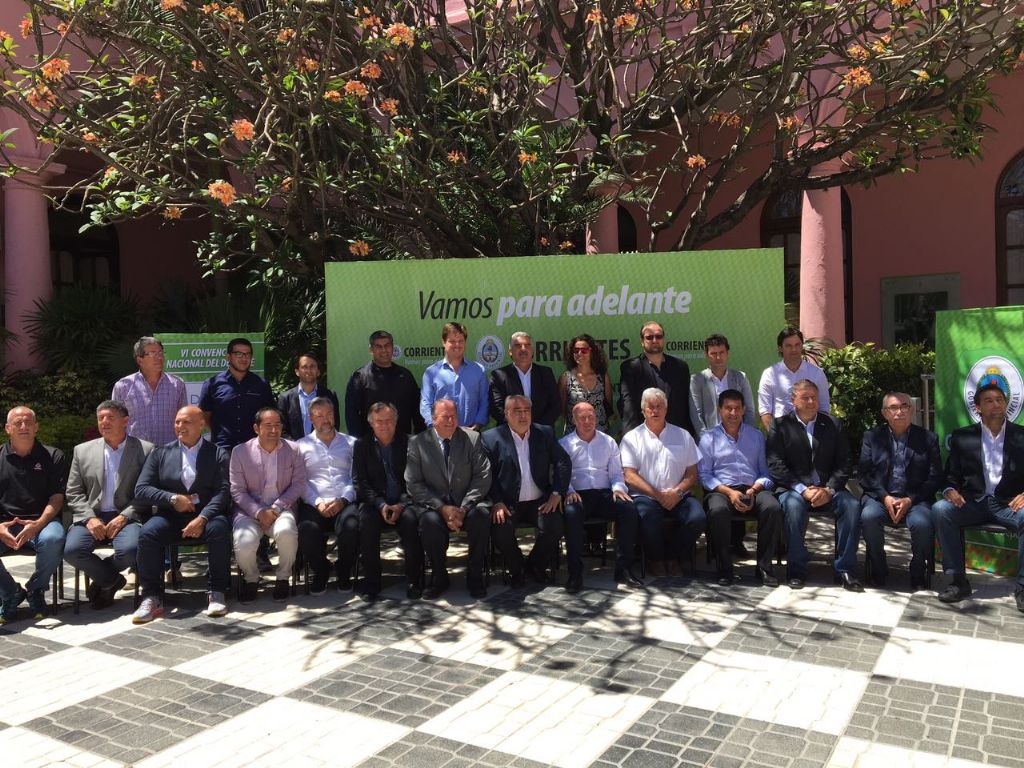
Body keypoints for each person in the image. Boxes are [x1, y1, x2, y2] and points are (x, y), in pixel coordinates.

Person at [131, 405, 232, 622]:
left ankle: (217, 591)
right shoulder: (160, 453)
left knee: (220, 529)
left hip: (207, 515)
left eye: (186, 421)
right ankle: (152, 596)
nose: (180, 426)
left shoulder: (217, 453)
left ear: (201, 424)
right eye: (177, 422)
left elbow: (223, 492)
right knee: (148, 533)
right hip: (171, 516)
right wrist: (172, 499)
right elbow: (142, 489)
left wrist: (203, 518)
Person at [932, 382, 1024, 609]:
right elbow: (950, 476)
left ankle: (1022, 586)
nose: (996, 405)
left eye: (999, 400)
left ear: (1006, 404)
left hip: (1008, 504)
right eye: (989, 401)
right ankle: (957, 581)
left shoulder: (1021, 436)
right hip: (973, 502)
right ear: (978, 408)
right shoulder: (963, 437)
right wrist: (950, 490)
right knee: (941, 510)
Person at [766, 379, 861, 591]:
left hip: (828, 489)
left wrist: (829, 489)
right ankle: (797, 570)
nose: (811, 402)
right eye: (805, 398)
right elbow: (775, 464)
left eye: (814, 398)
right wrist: (802, 490)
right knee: (793, 507)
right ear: (793, 400)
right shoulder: (780, 426)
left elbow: (845, 462)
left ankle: (845, 569)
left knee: (852, 506)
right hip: (794, 489)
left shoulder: (833, 425)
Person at [63, 400, 154, 610]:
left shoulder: (145, 449)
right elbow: (73, 492)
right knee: (72, 551)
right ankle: (111, 580)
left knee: (131, 550)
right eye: (101, 418)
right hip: (91, 516)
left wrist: (124, 516)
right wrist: (89, 518)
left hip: (127, 517)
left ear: (125, 421)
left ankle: (104, 579)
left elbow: (147, 491)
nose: (104, 422)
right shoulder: (82, 451)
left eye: (110, 417)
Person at [405, 399, 492, 599]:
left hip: (467, 505)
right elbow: (413, 483)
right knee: (428, 522)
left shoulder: (472, 439)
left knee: (481, 516)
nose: (451, 421)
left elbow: (483, 476)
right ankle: (439, 576)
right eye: (445, 417)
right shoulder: (418, 443)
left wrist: (464, 507)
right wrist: (441, 508)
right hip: (435, 507)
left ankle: (475, 576)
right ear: (433, 419)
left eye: (454, 416)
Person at [483, 395, 571, 589]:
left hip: (539, 501)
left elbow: (563, 461)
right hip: (508, 503)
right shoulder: (491, 438)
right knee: (500, 530)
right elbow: (486, 475)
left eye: (527, 411)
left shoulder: (544, 433)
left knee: (555, 525)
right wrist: (496, 501)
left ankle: (535, 566)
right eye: (517, 411)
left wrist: (557, 492)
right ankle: (517, 570)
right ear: (506, 414)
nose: (523, 416)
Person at [697, 390, 782, 586]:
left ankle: (764, 568)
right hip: (721, 490)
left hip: (752, 488)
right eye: (728, 408)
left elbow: (765, 472)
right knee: (717, 510)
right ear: (720, 410)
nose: (733, 413)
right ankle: (724, 568)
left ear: (744, 410)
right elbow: (704, 475)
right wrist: (729, 492)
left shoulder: (756, 436)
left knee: (773, 507)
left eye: (737, 408)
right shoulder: (709, 438)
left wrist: (754, 489)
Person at [858, 392, 941, 590]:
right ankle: (878, 568)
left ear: (911, 410)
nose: (900, 412)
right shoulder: (872, 437)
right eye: (893, 408)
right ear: (884, 413)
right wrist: (885, 497)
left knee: (922, 523)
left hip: (916, 500)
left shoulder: (928, 438)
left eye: (904, 406)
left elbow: (935, 477)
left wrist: (910, 499)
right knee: (869, 516)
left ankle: (918, 570)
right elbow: (864, 474)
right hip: (880, 497)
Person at [620, 388, 705, 577]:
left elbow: (692, 473)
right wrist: (658, 495)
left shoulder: (683, 435)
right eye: (650, 407)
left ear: (666, 409)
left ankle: (673, 557)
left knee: (698, 518)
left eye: (659, 406)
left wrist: (677, 493)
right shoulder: (631, 438)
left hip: (679, 496)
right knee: (648, 517)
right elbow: (629, 475)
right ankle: (656, 559)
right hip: (646, 497)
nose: (655, 410)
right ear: (643, 410)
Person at [560, 402, 642, 590]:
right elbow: (561, 475)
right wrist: (569, 491)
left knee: (629, 510)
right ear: (574, 420)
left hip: (604, 494)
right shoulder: (564, 444)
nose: (587, 421)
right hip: (578, 495)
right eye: (582, 418)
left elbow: (616, 474)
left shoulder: (608, 442)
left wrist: (618, 488)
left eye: (591, 417)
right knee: (571, 514)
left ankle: (624, 569)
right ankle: (575, 573)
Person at [230, 407, 306, 603]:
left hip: (281, 508)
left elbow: (298, 484)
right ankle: (251, 578)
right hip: (249, 511)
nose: (274, 430)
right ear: (256, 428)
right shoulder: (240, 452)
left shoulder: (293, 450)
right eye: (268, 425)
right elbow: (237, 491)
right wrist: (259, 512)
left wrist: (276, 508)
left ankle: (283, 577)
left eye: (277, 425)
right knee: (244, 543)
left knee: (287, 533)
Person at [0, 406, 68, 624]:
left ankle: (36, 589)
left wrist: (38, 524)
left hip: (43, 522)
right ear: (8, 428)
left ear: (36, 427)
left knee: (54, 539)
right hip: (5, 524)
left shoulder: (53, 456)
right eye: (18, 423)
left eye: (28, 422)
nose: (23, 426)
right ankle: (10, 593)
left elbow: (57, 498)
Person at [352, 402, 419, 599]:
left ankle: (415, 580)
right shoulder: (361, 445)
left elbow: (416, 480)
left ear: (396, 422)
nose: (384, 425)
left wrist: (401, 504)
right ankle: (372, 581)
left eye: (389, 420)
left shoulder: (411, 442)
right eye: (379, 421)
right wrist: (380, 504)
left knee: (412, 521)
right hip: (375, 503)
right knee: (366, 521)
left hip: (404, 501)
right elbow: (360, 482)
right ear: (371, 423)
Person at [296, 397, 358, 594]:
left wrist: (343, 500)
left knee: (352, 526)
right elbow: (300, 481)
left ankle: (343, 569)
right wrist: (317, 503)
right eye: (319, 415)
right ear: (311, 419)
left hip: (344, 501)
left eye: (329, 414)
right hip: (314, 503)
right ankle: (321, 570)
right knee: (306, 530)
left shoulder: (351, 443)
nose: (326, 419)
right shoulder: (300, 446)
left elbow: (357, 478)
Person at [618, 320, 695, 436]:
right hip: (644, 436)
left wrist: (688, 435)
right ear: (642, 341)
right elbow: (628, 405)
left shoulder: (680, 367)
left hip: (676, 435)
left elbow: (685, 404)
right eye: (649, 337)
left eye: (658, 336)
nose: (654, 340)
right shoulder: (630, 368)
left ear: (663, 339)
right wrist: (630, 437)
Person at [199, 337, 275, 451]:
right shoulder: (212, 384)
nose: (244, 358)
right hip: (222, 449)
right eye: (239, 354)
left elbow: (269, 415)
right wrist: (220, 433)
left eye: (247, 354)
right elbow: (205, 416)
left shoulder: (262, 385)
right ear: (228, 357)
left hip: (254, 448)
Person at [345, 330, 424, 438]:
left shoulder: (405, 375)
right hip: (370, 444)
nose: (384, 350)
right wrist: (359, 442)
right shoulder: (360, 377)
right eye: (378, 346)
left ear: (393, 347)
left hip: (403, 442)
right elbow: (352, 414)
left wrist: (420, 438)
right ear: (371, 349)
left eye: (387, 345)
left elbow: (417, 411)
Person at [111, 336, 188, 446]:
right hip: (136, 451)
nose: (159, 357)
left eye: (161, 353)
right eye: (152, 353)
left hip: (169, 450)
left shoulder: (177, 384)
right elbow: (116, 422)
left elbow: (184, 420)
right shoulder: (123, 386)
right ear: (140, 360)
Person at [419, 322, 489, 430]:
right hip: (440, 433)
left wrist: (477, 426)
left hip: (471, 433)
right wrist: (434, 426)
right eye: (452, 341)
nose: (457, 345)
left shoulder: (478, 370)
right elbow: (425, 404)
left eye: (460, 341)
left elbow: (484, 402)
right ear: (443, 342)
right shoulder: (431, 373)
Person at [758, 326, 831, 429]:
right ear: (780, 348)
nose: (794, 349)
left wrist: (816, 434)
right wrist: (775, 435)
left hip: (811, 432)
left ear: (802, 346)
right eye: (788, 346)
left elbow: (824, 408)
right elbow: (765, 411)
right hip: (781, 431)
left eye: (797, 345)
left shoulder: (817, 373)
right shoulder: (769, 374)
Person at [489, 332, 560, 427]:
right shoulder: (499, 375)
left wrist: (538, 428)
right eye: (518, 345)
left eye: (527, 345)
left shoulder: (546, 373)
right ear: (510, 351)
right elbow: (496, 408)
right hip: (510, 432)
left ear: (532, 351)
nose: (523, 349)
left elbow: (555, 405)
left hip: (541, 431)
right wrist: (518, 428)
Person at [690, 334, 756, 435]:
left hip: (739, 437)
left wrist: (746, 436)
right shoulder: (697, 380)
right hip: (711, 438)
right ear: (706, 355)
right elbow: (696, 415)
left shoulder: (741, 378)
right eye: (713, 353)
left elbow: (749, 411)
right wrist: (706, 440)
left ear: (727, 353)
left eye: (721, 353)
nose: (718, 357)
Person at [560, 333, 614, 434]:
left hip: (600, 433)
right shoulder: (565, 378)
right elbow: (563, 410)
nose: (580, 353)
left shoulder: (603, 376)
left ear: (591, 352)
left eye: (584, 350)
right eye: (576, 350)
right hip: (574, 434)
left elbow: (609, 405)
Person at [277, 353, 340, 440]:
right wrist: (296, 446)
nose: (309, 370)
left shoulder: (329, 395)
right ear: (297, 371)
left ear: (318, 371)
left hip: (322, 446)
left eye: (312, 366)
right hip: (294, 447)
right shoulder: (285, 398)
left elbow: (334, 425)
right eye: (304, 367)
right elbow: (281, 428)